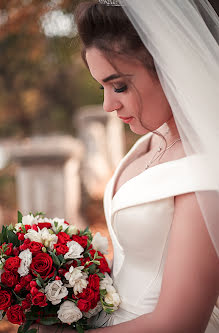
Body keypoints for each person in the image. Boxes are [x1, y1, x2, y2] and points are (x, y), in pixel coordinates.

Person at [33, 0, 219, 332]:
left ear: (170, 65)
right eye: (101, 87)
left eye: (119, 86)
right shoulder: (150, 140)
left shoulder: (205, 176)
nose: (107, 105)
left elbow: (179, 323)